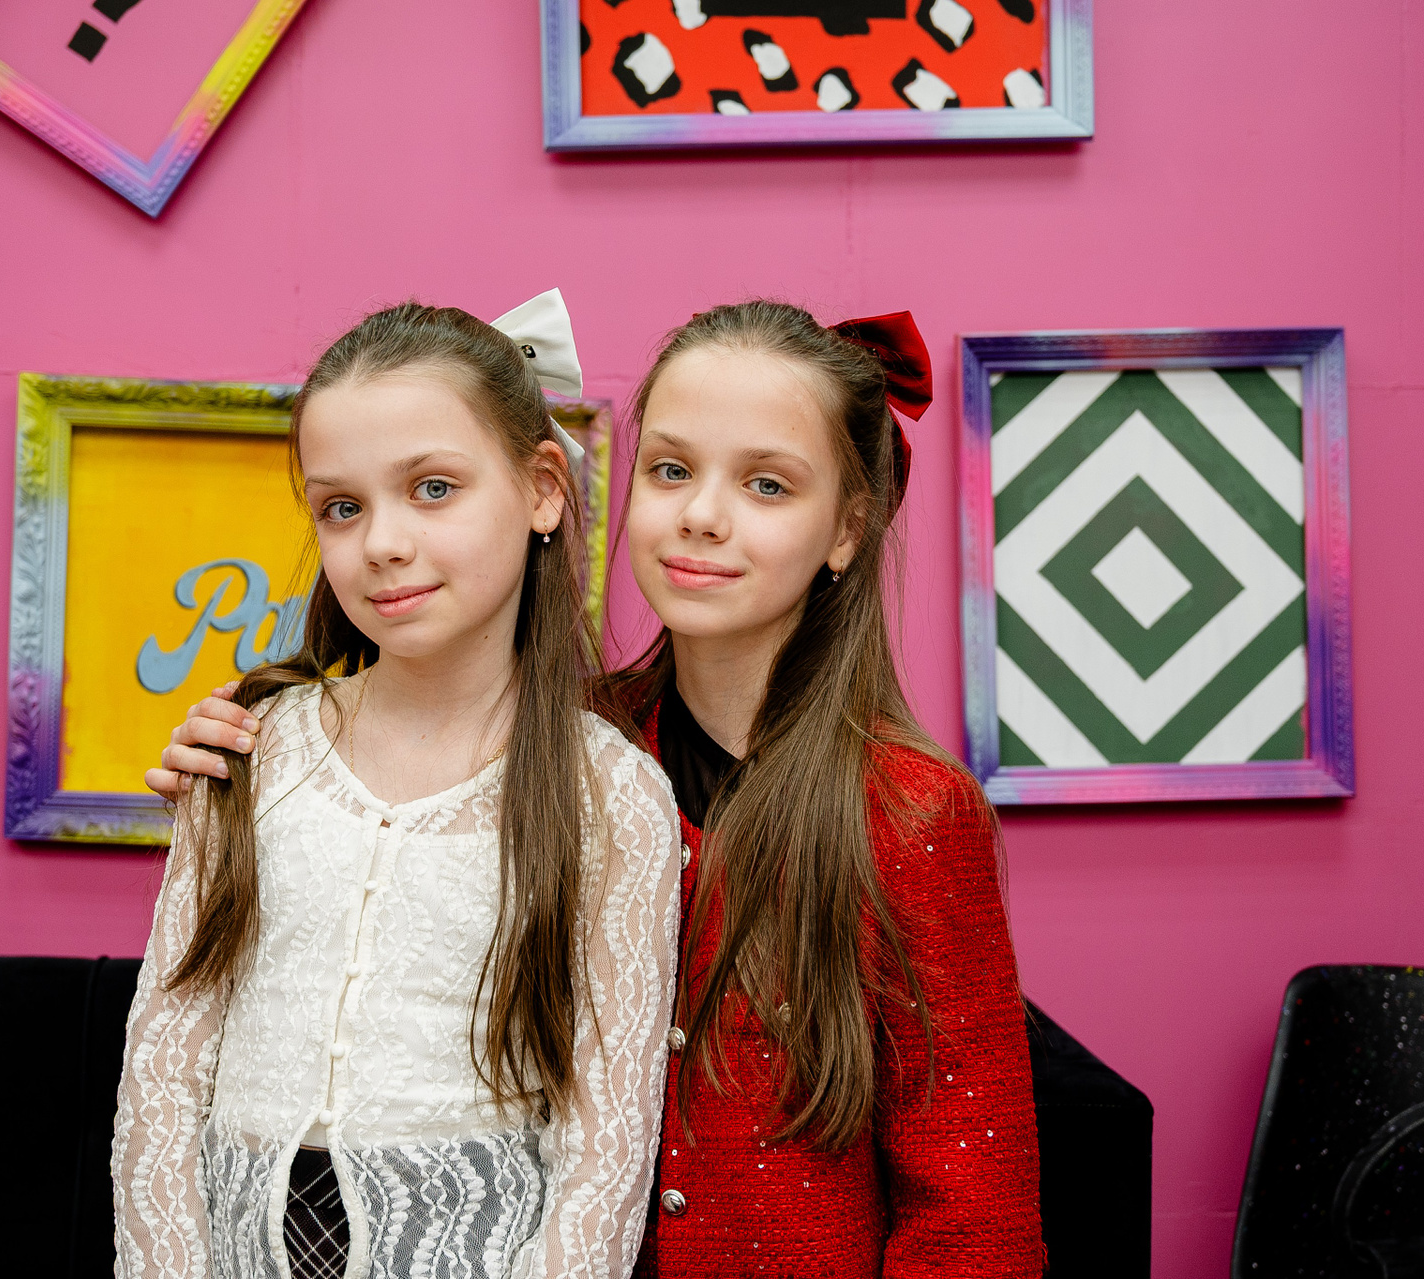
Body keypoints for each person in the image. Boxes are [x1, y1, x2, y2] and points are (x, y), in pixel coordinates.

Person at [150, 300, 1042, 1278]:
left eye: (767, 484)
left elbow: (975, 1217)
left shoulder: (912, 809)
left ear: (847, 528)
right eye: (671, 470)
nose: (702, 514)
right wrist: (240, 774)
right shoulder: (560, 750)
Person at [114, 293, 682, 1279]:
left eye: (432, 488)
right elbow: (162, 1076)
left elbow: (606, 1147)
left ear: (543, 488)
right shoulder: (250, 748)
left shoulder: (613, 793)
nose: (380, 542)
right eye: (342, 506)